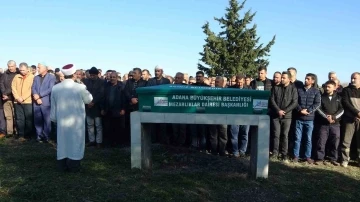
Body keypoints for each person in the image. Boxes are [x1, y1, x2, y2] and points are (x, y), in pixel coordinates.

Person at [51, 64, 93, 172]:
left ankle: (62, 165)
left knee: (63, 141)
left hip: (62, 120)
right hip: (76, 120)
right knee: (76, 141)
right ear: (74, 74)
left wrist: (54, 118)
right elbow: (89, 99)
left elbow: (53, 106)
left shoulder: (55, 88)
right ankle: (74, 166)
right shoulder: (80, 87)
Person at [269, 71, 298, 162]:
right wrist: (278, 110)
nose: (281, 79)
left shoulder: (293, 89)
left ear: (289, 79)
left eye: (283, 78)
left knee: (285, 135)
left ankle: (284, 154)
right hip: (276, 115)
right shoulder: (275, 88)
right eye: (281, 77)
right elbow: (272, 100)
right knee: (276, 134)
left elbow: (294, 102)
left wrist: (284, 111)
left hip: (287, 116)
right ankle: (275, 153)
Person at [293, 73, 321, 164]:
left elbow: (317, 104)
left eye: (308, 79)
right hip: (299, 118)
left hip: (309, 119)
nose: (305, 80)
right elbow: (295, 102)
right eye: (305, 78)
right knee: (297, 138)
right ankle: (295, 156)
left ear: (312, 81)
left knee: (308, 139)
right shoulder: (299, 90)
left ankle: (307, 156)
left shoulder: (316, 91)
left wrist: (308, 110)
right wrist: (300, 110)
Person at [314, 80, 343, 166]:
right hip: (323, 124)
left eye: (329, 87)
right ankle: (319, 158)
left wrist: (333, 117)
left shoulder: (339, 98)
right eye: (326, 87)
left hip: (335, 124)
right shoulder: (321, 97)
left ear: (334, 88)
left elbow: (342, 110)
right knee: (321, 141)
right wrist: (327, 117)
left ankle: (333, 158)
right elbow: (318, 109)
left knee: (335, 142)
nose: (326, 88)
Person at [32, 62, 56, 143]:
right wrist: (35, 95)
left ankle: (47, 136)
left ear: (45, 68)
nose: (37, 69)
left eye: (39, 67)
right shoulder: (36, 78)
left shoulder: (51, 77)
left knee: (47, 121)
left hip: (46, 102)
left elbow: (50, 88)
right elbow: (33, 87)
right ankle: (39, 135)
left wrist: (39, 95)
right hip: (36, 102)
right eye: (37, 67)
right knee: (37, 120)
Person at [340, 72, 360, 167]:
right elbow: (346, 103)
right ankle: (345, 159)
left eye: (355, 78)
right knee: (346, 140)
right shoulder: (346, 90)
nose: (352, 80)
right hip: (349, 119)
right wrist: (357, 113)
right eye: (351, 78)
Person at [11, 62, 35, 141]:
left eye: (23, 70)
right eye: (20, 70)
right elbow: (13, 87)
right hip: (17, 102)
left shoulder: (32, 77)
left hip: (27, 101)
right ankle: (21, 135)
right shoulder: (16, 76)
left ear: (28, 69)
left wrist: (23, 98)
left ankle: (28, 135)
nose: (22, 72)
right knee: (19, 119)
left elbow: (31, 89)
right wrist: (17, 98)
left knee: (28, 119)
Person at [83, 67, 105, 148]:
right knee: (89, 125)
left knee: (98, 125)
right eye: (91, 75)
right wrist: (88, 102)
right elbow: (85, 92)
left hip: (97, 106)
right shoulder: (86, 81)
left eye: (93, 75)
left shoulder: (102, 82)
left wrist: (93, 102)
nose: (92, 76)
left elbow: (101, 94)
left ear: (97, 74)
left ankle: (99, 141)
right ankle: (91, 140)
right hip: (88, 106)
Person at [0, 60, 19, 137]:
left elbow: (14, 86)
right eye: (9, 66)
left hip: (14, 98)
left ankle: (17, 131)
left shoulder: (18, 74)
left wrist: (7, 94)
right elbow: (1, 83)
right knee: (8, 116)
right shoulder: (4, 74)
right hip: (5, 99)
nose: (10, 68)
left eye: (12, 66)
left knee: (16, 116)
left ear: (15, 66)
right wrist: (4, 93)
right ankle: (10, 132)